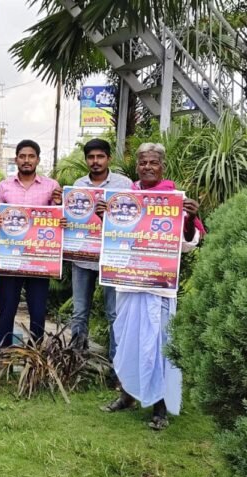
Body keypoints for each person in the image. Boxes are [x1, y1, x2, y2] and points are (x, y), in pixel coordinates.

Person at [101, 143, 204, 430]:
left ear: (162, 167)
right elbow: (114, 238)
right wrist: (103, 217)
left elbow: (187, 245)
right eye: (143, 163)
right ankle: (127, 396)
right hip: (129, 285)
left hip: (158, 288)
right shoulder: (125, 199)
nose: (147, 167)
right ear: (137, 167)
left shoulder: (174, 200)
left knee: (158, 346)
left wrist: (191, 218)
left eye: (153, 163)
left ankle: (159, 407)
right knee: (127, 342)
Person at [0, 139, 62, 349]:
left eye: (31, 156)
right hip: (11, 259)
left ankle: (35, 360)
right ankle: (3, 358)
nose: (26, 160)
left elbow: (57, 219)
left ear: (38, 160)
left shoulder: (52, 186)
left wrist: (59, 209)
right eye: (22, 156)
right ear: (16, 159)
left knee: (38, 312)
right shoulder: (4, 186)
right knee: (7, 310)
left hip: (39, 260)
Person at [68, 139, 132, 357]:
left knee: (114, 313)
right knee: (79, 313)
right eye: (91, 157)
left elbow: (133, 221)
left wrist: (110, 214)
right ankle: (75, 362)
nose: (95, 162)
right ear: (86, 160)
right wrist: (65, 220)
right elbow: (72, 217)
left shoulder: (124, 185)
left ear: (108, 158)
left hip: (112, 258)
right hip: (82, 258)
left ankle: (117, 367)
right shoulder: (78, 185)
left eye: (100, 157)